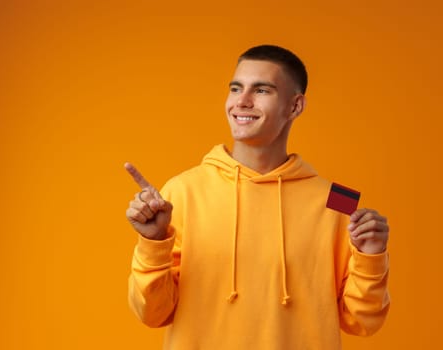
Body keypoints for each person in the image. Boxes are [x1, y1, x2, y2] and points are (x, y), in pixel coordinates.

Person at [124, 45, 390, 350]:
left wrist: (372, 256)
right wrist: (154, 242)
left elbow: (363, 321)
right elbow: (151, 313)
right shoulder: (180, 193)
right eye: (236, 88)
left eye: (261, 90)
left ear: (295, 107)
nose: (242, 101)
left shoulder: (337, 200)